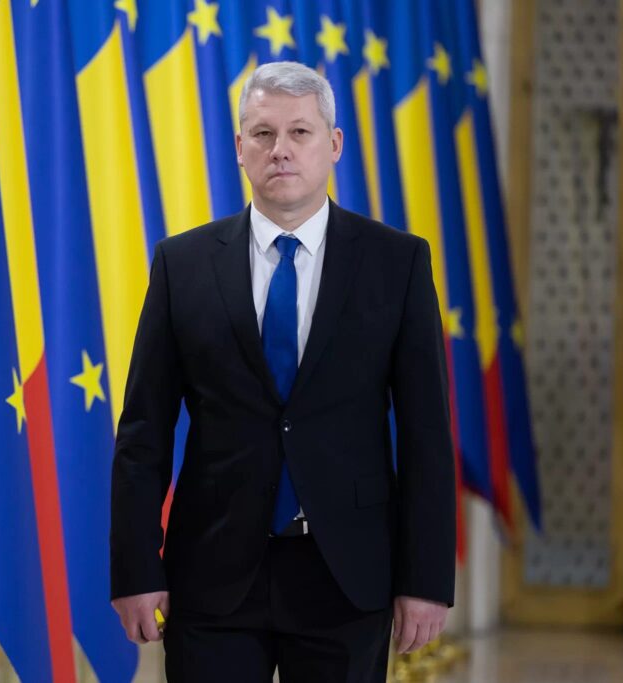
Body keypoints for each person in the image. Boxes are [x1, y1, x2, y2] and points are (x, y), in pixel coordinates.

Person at [109, 61, 456, 682]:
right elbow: (143, 434)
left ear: (334, 144)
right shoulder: (182, 265)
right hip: (212, 573)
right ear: (239, 146)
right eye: (263, 133)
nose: (281, 150)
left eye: (300, 132)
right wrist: (135, 569)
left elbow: (426, 433)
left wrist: (426, 579)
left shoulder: (396, 263)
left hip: (347, 575)